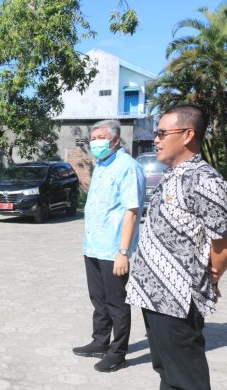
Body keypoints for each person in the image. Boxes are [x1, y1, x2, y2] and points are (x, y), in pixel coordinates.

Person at [126, 105, 227, 390]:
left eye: (161, 133)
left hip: (177, 297)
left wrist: (211, 275)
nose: (154, 140)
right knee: (166, 371)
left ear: (187, 135)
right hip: (151, 293)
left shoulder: (205, 180)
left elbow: (222, 240)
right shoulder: (173, 174)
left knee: (189, 384)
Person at [72, 119, 145, 372]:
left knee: (116, 302)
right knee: (98, 299)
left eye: (100, 137)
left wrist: (123, 252)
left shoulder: (127, 167)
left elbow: (132, 211)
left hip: (114, 249)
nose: (95, 142)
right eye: (93, 138)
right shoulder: (102, 165)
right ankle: (99, 342)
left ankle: (119, 352)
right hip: (93, 246)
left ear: (115, 140)